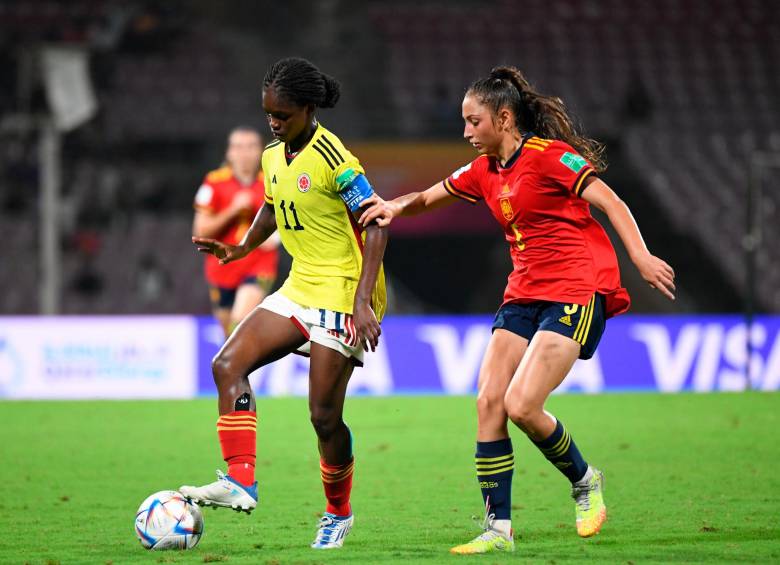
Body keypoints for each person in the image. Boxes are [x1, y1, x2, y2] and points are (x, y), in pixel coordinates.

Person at [359, 66, 675, 554]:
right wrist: (395, 207)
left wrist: (640, 256)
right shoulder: (484, 170)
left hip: (576, 286)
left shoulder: (550, 158)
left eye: (473, 121)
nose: (465, 132)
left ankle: (586, 480)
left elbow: (610, 201)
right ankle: (498, 530)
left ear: (504, 118)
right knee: (488, 400)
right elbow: (428, 197)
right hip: (525, 290)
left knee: (522, 405)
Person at [180, 57, 388, 550]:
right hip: (299, 286)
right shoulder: (275, 156)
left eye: (283, 115)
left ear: (308, 108)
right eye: (269, 114)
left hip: (342, 289)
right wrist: (242, 249)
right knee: (227, 364)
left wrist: (363, 303)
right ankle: (240, 481)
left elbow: (377, 224)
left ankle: (338, 512)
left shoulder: (336, 159)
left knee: (322, 417)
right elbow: (273, 206)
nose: (274, 123)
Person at [193, 126, 280, 337]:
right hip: (221, 269)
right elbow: (200, 229)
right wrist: (233, 209)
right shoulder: (214, 183)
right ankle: (240, 368)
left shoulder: (272, 183)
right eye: (238, 147)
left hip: (259, 264)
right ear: (229, 153)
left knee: (239, 321)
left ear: (260, 151)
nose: (244, 153)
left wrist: (276, 235)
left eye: (251, 147)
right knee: (228, 335)